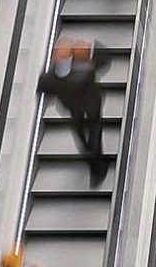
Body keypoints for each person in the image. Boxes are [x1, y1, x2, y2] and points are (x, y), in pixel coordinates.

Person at [38, 38, 112, 187]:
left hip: (74, 106)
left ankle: (90, 154)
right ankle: (96, 161)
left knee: (79, 129)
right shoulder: (85, 72)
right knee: (94, 130)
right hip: (91, 105)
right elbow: (103, 61)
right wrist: (92, 48)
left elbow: (43, 86)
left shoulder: (51, 78)